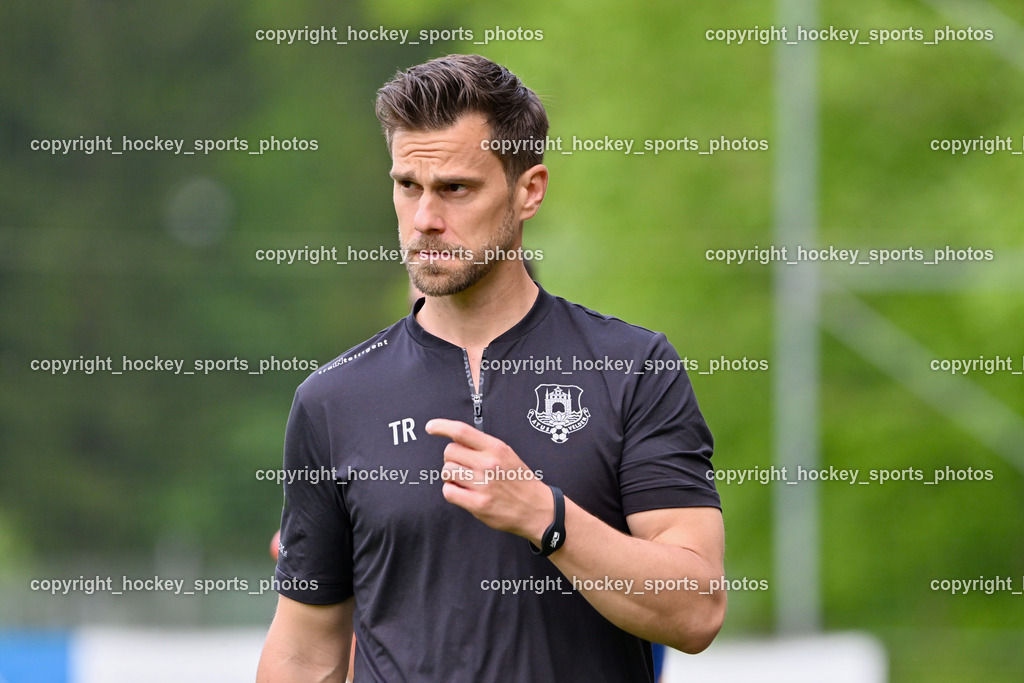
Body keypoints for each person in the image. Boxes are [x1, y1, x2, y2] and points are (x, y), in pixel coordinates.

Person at [257, 54, 726, 682]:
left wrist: (544, 516)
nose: (425, 219)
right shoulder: (332, 399)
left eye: (455, 189)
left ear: (529, 191)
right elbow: (304, 653)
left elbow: (697, 610)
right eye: (408, 186)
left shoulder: (633, 368)